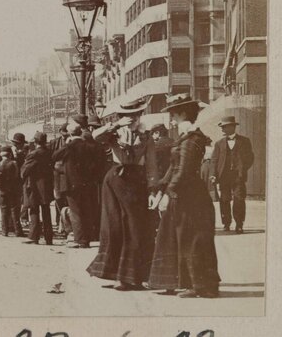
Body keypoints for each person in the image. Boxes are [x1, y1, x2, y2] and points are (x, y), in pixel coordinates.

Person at [148, 93, 220, 298]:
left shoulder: (191, 138)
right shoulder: (186, 137)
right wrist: (161, 188)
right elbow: (174, 168)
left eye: (173, 113)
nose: (171, 117)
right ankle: (183, 283)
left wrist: (169, 193)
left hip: (189, 196)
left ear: (181, 113)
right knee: (178, 237)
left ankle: (200, 286)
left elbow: (184, 171)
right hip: (184, 194)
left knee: (192, 239)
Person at [86, 97, 154, 291]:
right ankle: (119, 277)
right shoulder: (114, 133)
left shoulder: (146, 135)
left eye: (135, 115)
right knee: (115, 226)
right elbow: (95, 137)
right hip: (116, 180)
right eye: (127, 115)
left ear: (140, 115)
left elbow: (151, 164)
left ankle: (135, 277)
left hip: (137, 182)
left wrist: (153, 188)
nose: (132, 119)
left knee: (137, 228)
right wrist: (115, 125)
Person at [53, 116, 97, 248]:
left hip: (71, 183)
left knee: (75, 211)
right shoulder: (87, 145)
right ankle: (88, 238)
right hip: (86, 182)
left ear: (71, 133)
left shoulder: (69, 146)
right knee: (86, 210)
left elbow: (55, 156)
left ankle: (80, 240)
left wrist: (67, 142)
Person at [209, 115, 255, 233]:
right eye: (222, 127)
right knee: (224, 199)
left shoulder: (244, 141)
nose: (222, 129)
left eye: (224, 127)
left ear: (232, 127)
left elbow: (250, 157)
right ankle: (226, 223)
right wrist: (213, 174)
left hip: (238, 176)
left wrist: (243, 169)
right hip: (223, 176)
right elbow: (214, 160)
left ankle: (239, 224)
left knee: (239, 199)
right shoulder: (219, 143)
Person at [21, 132, 54, 245]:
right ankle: (49, 238)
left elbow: (25, 171)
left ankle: (33, 236)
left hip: (34, 185)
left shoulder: (33, 154)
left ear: (35, 142)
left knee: (34, 209)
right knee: (46, 210)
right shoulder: (49, 152)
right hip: (47, 185)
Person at [0, 145, 21, 236]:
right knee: (14, 210)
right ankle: (18, 231)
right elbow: (17, 176)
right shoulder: (14, 163)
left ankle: (5, 231)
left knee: (4, 211)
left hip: (1, 190)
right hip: (12, 190)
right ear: (9, 154)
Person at [50, 124, 70, 239]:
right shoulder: (54, 143)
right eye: (64, 132)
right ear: (60, 132)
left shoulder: (72, 141)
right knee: (58, 198)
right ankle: (59, 223)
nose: (66, 134)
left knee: (67, 200)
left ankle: (66, 225)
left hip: (68, 174)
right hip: (57, 174)